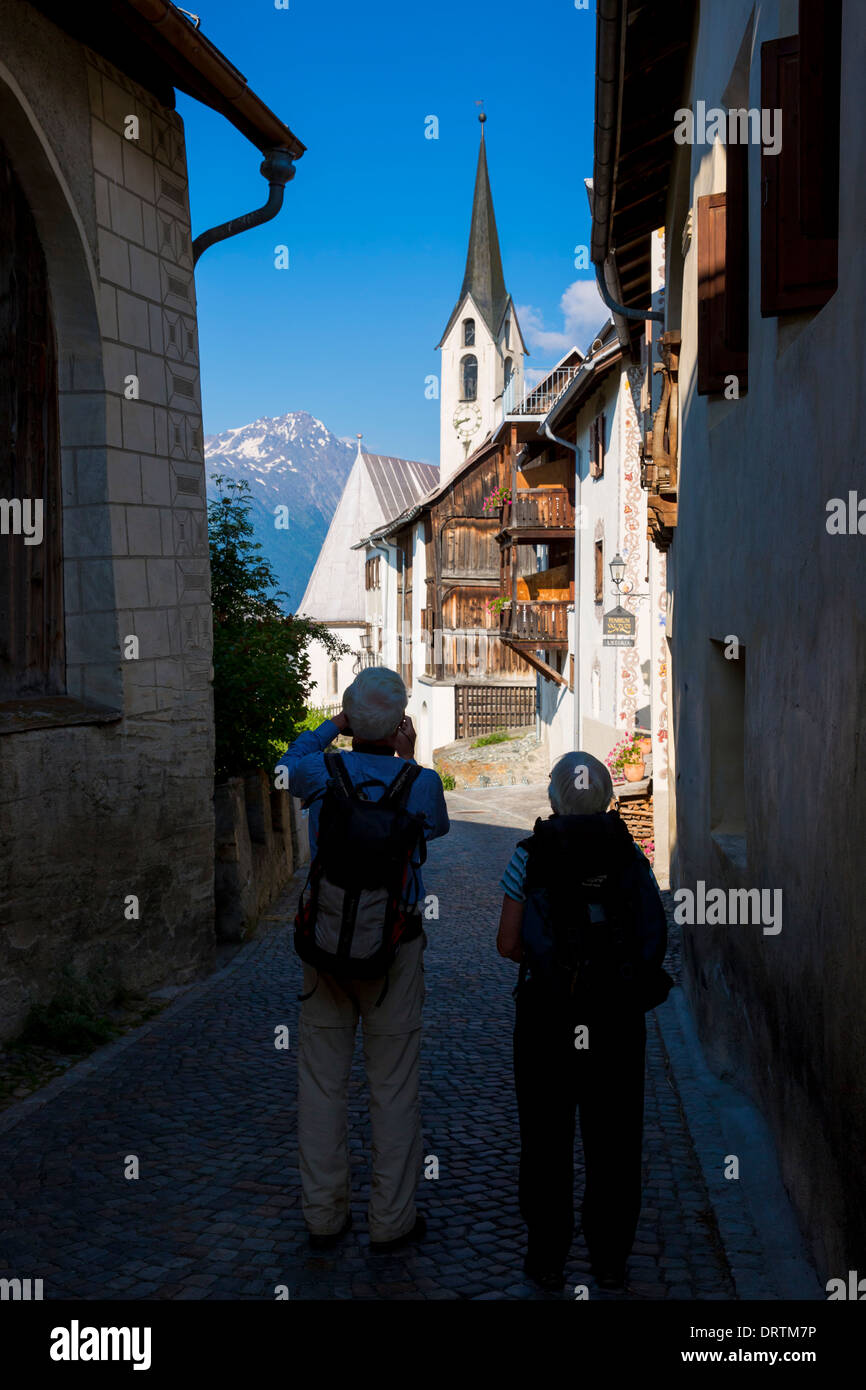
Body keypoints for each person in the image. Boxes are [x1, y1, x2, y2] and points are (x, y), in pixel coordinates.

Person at [277, 667, 449, 1254]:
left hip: (324, 945)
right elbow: (438, 829)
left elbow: (289, 758)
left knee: (322, 1083)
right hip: (394, 948)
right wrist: (407, 754)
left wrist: (334, 725)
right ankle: (390, 1219)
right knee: (393, 1086)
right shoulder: (420, 783)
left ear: (351, 718)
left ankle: (324, 1215)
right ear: (400, 722)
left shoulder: (321, 773)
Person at [497, 750, 670, 1293]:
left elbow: (506, 943)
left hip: (548, 1015)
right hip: (616, 1017)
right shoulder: (631, 856)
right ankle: (611, 1256)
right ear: (605, 797)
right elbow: (651, 940)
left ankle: (547, 1257)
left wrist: (552, 962)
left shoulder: (528, 854)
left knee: (546, 1136)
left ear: (554, 796)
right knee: (614, 1138)